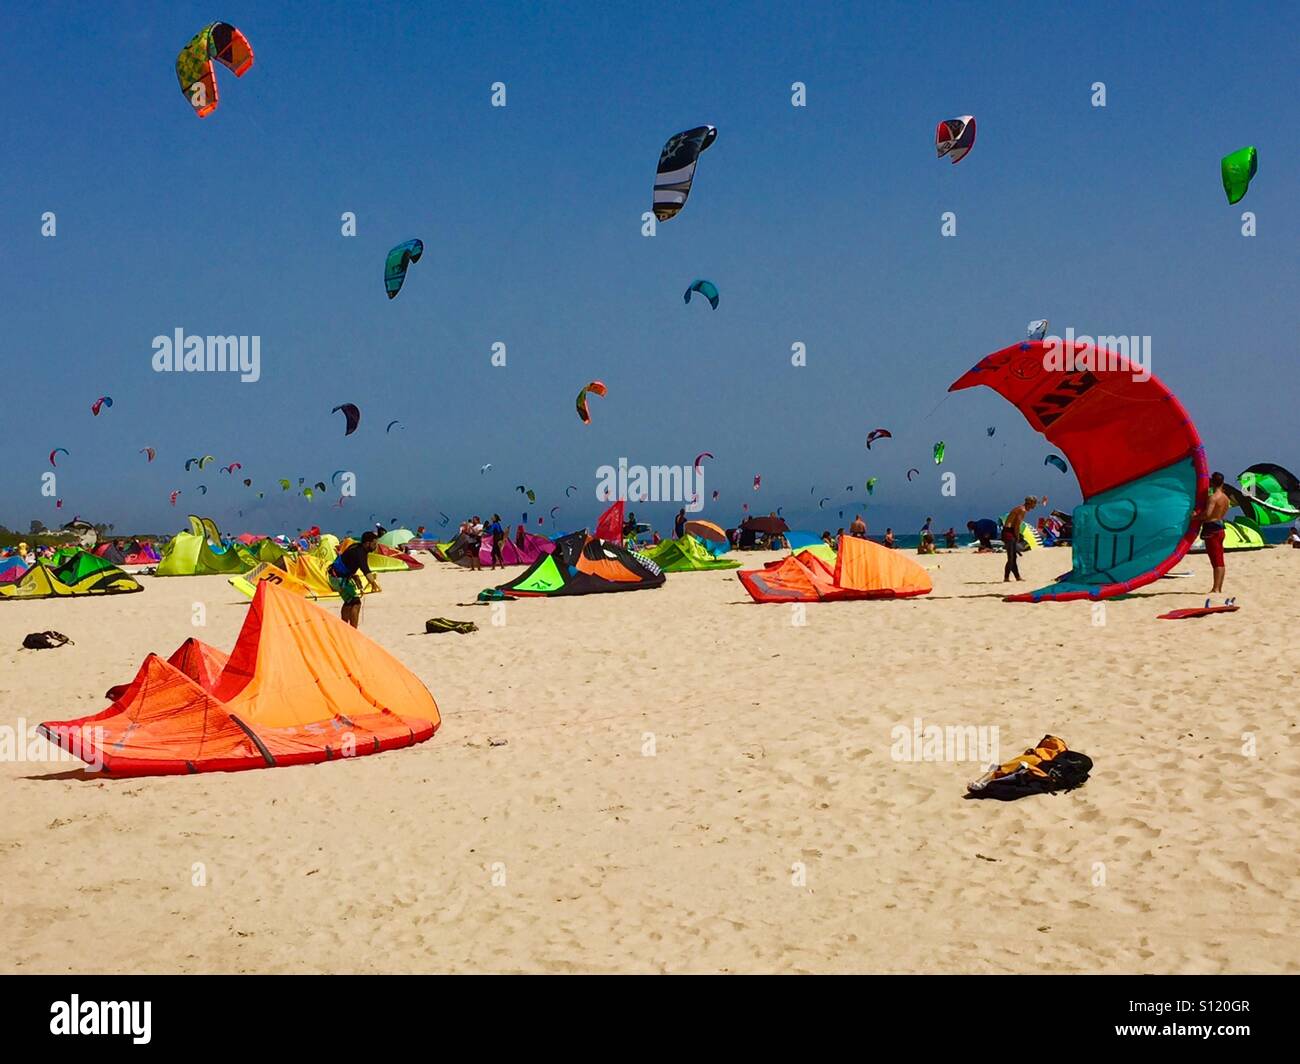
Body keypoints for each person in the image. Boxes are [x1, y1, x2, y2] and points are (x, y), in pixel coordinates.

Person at [329, 531, 381, 628]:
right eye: (374, 544)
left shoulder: (356, 547)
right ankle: (353, 630)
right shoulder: (360, 553)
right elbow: (366, 570)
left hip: (335, 576)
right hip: (338, 578)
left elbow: (347, 562)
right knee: (356, 602)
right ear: (367, 543)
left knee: (349, 602)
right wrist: (373, 583)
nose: (376, 546)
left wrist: (354, 576)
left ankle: (344, 627)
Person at [1200, 472, 1230, 593]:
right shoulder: (1226, 498)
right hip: (1220, 527)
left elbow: (1207, 514)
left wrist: (1195, 517)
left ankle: (1216, 588)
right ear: (1222, 483)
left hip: (1212, 528)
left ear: (1212, 482)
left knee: (1216, 560)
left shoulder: (1213, 498)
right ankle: (1218, 587)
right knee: (1219, 559)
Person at [1002, 497, 1036, 581]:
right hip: (1009, 533)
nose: (1035, 505)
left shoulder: (1021, 508)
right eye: (1034, 503)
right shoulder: (1022, 510)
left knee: (1013, 557)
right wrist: (1017, 537)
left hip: (1009, 532)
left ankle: (1017, 577)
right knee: (1011, 557)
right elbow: (1017, 526)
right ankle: (1006, 578)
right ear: (1030, 503)